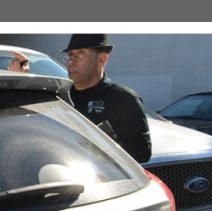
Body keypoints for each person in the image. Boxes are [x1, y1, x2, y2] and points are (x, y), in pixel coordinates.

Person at [63, 34, 151, 163]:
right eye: (70, 56)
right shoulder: (60, 97)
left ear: (102, 59)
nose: (71, 62)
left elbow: (142, 154)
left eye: (79, 55)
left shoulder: (124, 99)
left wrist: (103, 147)